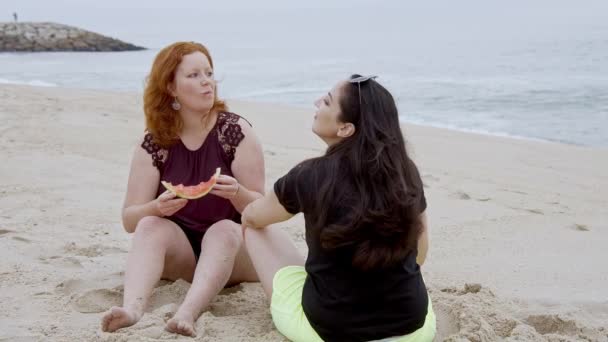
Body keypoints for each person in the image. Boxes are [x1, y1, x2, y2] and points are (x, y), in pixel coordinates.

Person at [241, 75, 436, 341]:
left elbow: (253, 216)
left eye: (327, 101)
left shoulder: (308, 175)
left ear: (345, 128)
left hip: (332, 332)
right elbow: (421, 253)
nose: (317, 102)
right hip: (412, 330)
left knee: (252, 230)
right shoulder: (405, 171)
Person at [100, 41, 265, 337]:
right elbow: (129, 220)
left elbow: (260, 212)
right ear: (171, 88)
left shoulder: (236, 132)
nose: (207, 81)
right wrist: (155, 208)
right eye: (193, 75)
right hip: (185, 257)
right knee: (150, 224)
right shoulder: (154, 144)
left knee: (224, 229)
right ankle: (132, 309)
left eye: (209, 72)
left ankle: (187, 313)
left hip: (236, 255)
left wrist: (238, 193)